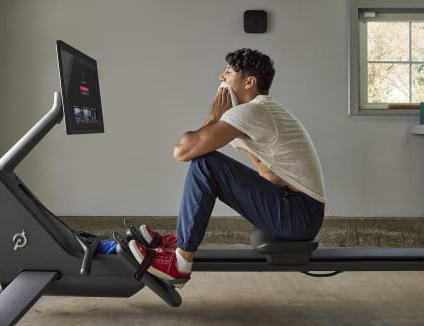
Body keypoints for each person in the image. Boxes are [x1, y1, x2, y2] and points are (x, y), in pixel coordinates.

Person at [128, 48, 326, 286]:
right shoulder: (255, 111)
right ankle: (181, 241)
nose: (221, 77)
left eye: (229, 72)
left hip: (299, 215)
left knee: (205, 164)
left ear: (249, 82)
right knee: (206, 161)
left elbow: (182, 151)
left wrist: (213, 118)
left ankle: (180, 263)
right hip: (296, 210)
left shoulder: (253, 112)